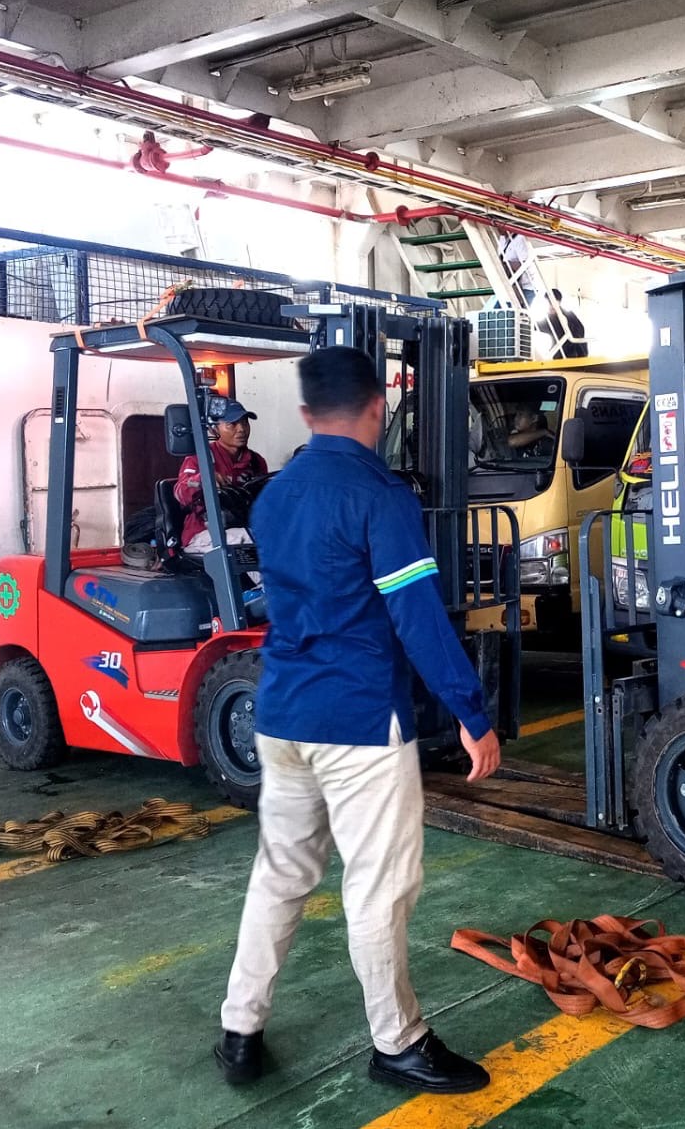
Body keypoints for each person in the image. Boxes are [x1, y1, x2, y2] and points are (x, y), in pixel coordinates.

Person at [214, 347, 500, 1095]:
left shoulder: (272, 498)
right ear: (378, 406)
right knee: (377, 887)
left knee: (279, 875)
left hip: (280, 715)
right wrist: (472, 713)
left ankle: (239, 1028)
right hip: (359, 723)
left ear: (306, 413)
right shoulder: (380, 497)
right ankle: (398, 1043)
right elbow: (418, 617)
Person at [174, 398, 268, 557]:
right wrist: (203, 479)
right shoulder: (200, 458)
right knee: (245, 539)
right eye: (232, 424)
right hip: (203, 534)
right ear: (214, 430)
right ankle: (263, 583)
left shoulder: (256, 462)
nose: (241, 429)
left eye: (244, 423)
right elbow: (180, 492)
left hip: (243, 527)